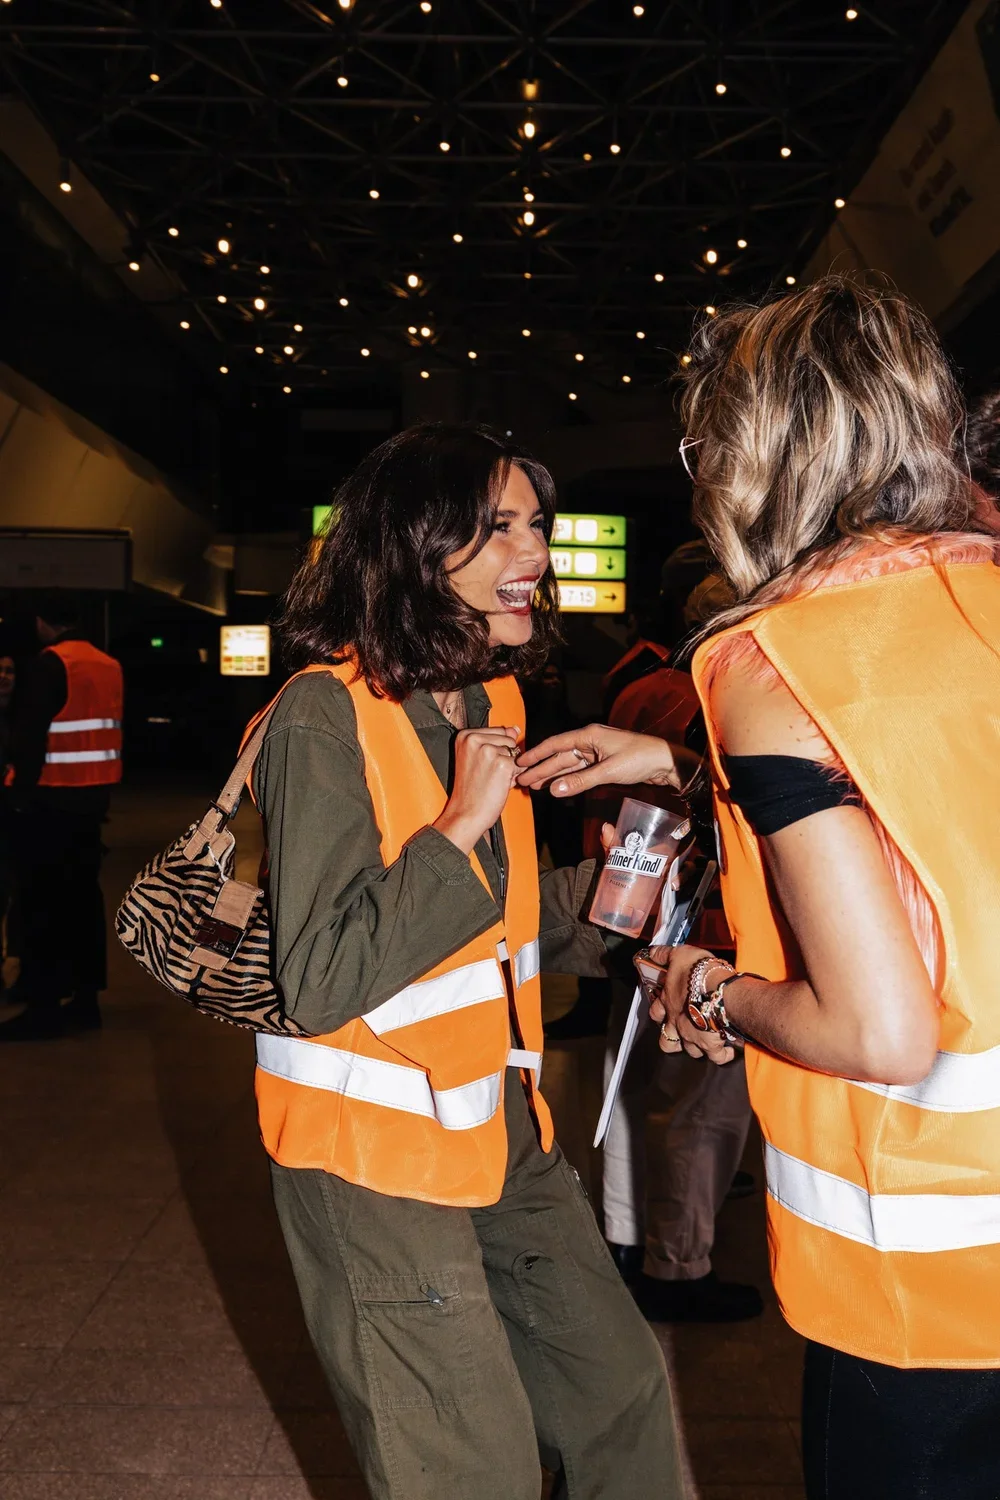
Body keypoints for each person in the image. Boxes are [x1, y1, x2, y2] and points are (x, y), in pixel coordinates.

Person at [517, 275, 1000, 1499]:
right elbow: (940, 808)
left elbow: (877, 1031)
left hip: (934, 1276)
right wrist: (697, 771)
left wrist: (713, 986)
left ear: (750, 450)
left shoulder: (771, 657)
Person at [246, 424, 683, 1500]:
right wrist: (459, 825)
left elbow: (509, 934)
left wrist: (653, 856)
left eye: (535, 524)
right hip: (374, 1162)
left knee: (621, 1398)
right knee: (465, 1465)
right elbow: (322, 974)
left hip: (503, 1131)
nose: (531, 550)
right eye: (495, 528)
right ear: (412, 546)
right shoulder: (323, 714)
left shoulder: (495, 700)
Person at [0, 599, 122, 1038]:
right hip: (92, 803)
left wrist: (17, 797)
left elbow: (30, 740)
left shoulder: (51, 664)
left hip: (48, 804)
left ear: (40, 622)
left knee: (41, 905)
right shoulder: (108, 664)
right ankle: (86, 1000)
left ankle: (44, 1005)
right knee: (83, 901)